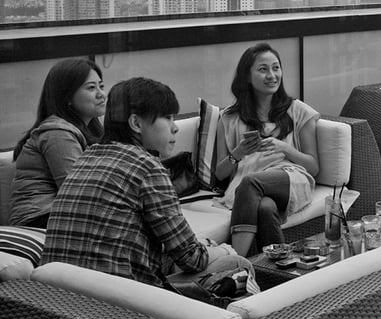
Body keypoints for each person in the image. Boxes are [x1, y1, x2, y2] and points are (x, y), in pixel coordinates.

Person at [42, 77, 254, 297]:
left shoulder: (87, 157)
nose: (175, 128)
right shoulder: (147, 167)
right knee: (238, 263)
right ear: (136, 123)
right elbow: (192, 259)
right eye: (167, 118)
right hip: (120, 302)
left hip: (57, 298)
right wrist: (222, 250)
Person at [217, 43, 320, 257]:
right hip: (248, 185)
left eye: (276, 68)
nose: (272, 75)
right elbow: (219, 174)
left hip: (291, 178)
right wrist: (238, 153)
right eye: (263, 69)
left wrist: (284, 148)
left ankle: (235, 263)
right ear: (247, 76)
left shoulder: (299, 111)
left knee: (251, 182)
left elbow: (313, 167)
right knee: (265, 207)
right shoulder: (229, 118)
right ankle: (277, 270)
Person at [11, 58, 106, 228]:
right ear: (67, 97)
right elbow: (78, 193)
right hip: (40, 217)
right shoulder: (57, 133)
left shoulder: (88, 131)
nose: (101, 94)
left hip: (61, 214)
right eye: (91, 88)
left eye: (101, 86)